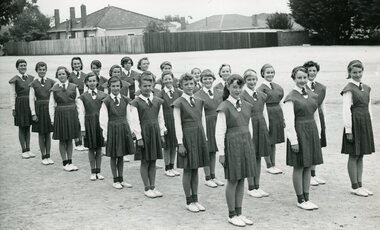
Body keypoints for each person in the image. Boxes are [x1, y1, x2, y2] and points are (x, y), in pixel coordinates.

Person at [216, 74, 256, 227]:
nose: (237, 90)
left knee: (242, 179)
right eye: (234, 87)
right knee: (233, 180)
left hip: (245, 144)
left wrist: (250, 145)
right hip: (232, 145)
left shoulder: (247, 104)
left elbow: (249, 126)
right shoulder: (224, 107)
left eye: (240, 87)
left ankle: (239, 212)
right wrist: (222, 153)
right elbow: (219, 132)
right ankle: (231, 214)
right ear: (228, 87)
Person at [283, 66, 323, 210]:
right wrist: (293, 140)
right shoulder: (290, 98)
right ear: (294, 79)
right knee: (299, 166)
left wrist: (317, 134)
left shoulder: (313, 95)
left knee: (308, 165)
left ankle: (307, 197)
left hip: (311, 132)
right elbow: (289, 122)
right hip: (299, 132)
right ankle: (300, 199)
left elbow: (316, 116)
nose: (302, 80)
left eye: (304, 77)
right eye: (299, 78)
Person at [172, 73, 209, 212]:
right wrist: (180, 143)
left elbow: (203, 120)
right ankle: (188, 201)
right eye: (186, 84)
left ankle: (195, 199)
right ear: (181, 86)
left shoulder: (199, 101)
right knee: (188, 170)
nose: (189, 87)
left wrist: (204, 138)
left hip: (198, 136)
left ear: (195, 84)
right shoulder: (178, 103)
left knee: (196, 169)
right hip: (186, 137)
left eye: (191, 84)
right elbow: (177, 124)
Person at [341, 60, 375, 197]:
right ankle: (354, 186)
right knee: (354, 154)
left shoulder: (366, 88)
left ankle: (360, 184)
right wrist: (348, 130)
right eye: (354, 72)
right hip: (354, 123)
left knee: (361, 155)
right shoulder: (348, 89)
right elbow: (346, 111)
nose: (357, 74)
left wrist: (369, 124)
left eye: (360, 72)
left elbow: (369, 107)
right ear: (349, 73)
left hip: (364, 123)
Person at [130, 72, 167, 198]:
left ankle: (153, 186)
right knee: (145, 161)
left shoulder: (157, 101)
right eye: (144, 86)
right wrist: (139, 137)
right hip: (144, 132)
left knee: (153, 160)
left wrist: (161, 133)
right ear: (140, 86)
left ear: (153, 86)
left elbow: (160, 118)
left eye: (149, 85)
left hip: (155, 131)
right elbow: (135, 121)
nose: (147, 88)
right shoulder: (136, 102)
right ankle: (146, 187)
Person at [99, 77, 135, 189]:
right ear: (109, 87)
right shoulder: (106, 101)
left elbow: (129, 117)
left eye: (117, 86)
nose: (115, 88)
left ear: (121, 87)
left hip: (123, 128)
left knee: (121, 155)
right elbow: (103, 119)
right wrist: (105, 135)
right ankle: (115, 180)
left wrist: (131, 130)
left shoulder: (125, 99)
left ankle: (121, 179)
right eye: (113, 86)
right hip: (112, 129)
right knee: (114, 155)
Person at [240, 69, 271, 198]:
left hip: (260, 125)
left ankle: (257, 185)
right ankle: (251, 187)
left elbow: (264, 112)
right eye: (249, 80)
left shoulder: (261, 95)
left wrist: (266, 127)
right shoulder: (241, 96)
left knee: (258, 156)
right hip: (249, 126)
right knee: (250, 157)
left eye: (253, 79)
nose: (252, 82)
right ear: (245, 81)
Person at [194, 69, 224, 188]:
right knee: (206, 151)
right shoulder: (198, 95)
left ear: (213, 79)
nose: (207, 81)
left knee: (213, 151)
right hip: (206, 124)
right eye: (205, 79)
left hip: (217, 123)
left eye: (209, 78)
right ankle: (207, 177)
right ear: (201, 81)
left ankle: (213, 175)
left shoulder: (219, 92)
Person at [49, 66, 80, 172]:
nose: (61, 76)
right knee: (62, 139)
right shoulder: (54, 88)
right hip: (60, 114)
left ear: (67, 75)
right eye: (59, 74)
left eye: (63, 74)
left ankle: (70, 161)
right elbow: (51, 105)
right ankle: (64, 162)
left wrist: (79, 116)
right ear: (57, 76)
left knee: (70, 139)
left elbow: (78, 102)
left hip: (72, 114)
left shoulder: (74, 86)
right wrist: (53, 119)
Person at [77, 73, 107, 181]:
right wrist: (82, 128)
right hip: (89, 123)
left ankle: (99, 171)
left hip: (100, 123)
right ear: (86, 83)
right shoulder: (82, 97)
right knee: (91, 148)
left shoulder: (103, 95)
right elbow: (81, 113)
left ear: (97, 82)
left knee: (99, 147)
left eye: (94, 81)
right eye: (90, 81)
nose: (92, 83)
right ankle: (93, 171)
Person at [257, 64, 284, 174]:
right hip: (267, 113)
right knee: (267, 141)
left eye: (272, 72)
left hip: (277, 113)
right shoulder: (261, 89)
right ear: (263, 74)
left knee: (274, 140)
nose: (270, 74)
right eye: (268, 72)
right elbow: (261, 105)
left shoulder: (277, 87)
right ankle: (269, 165)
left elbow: (281, 102)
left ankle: (273, 164)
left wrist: (283, 117)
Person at [304, 61, 327, 186]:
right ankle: (308, 175)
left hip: (318, 117)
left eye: (314, 70)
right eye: (309, 70)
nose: (311, 73)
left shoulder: (321, 87)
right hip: (307, 117)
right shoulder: (302, 86)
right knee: (309, 146)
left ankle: (313, 173)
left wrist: (324, 121)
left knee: (317, 146)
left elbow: (322, 105)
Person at [29, 62, 55, 165]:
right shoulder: (33, 83)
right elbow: (31, 100)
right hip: (39, 108)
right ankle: (43, 156)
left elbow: (54, 97)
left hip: (48, 109)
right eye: (40, 69)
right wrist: (33, 113)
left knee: (48, 133)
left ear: (46, 70)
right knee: (41, 133)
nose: (42, 71)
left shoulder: (51, 82)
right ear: (37, 70)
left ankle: (48, 155)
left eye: (44, 69)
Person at [158, 71, 182, 177]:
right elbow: (159, 112)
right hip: (166, 120)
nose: (168, 81)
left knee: (174, 145)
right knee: (167, 146)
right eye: (165, 79)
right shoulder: (160, 94)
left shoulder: (178, 92)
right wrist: (162, 127)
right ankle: (167, 168)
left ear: (173, 79)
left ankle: (172, 166)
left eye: (169, 79)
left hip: (176, 121)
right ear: (162, 81)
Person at [9, 59, 35, 159]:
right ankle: (23, 150)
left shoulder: (31, 78)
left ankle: (28, 149)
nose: (23, 67)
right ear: (17, 67)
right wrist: (13, 108)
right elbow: (12, 95)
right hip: (20, 104)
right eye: (21, 66)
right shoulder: (14, 80)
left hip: (29, 104)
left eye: (24, 65)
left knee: (28, 127)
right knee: (21, 127)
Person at [69, 57, 87, 151]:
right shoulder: (70, 76)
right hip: (75, 99)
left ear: (81, 64)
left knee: (83, 119)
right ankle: (77, 143)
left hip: (83, 98)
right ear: (72, 65)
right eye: (75, 64)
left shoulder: (85, 75)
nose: (77, 65)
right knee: (76, 120)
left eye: (78, 63)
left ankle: (83, 142)